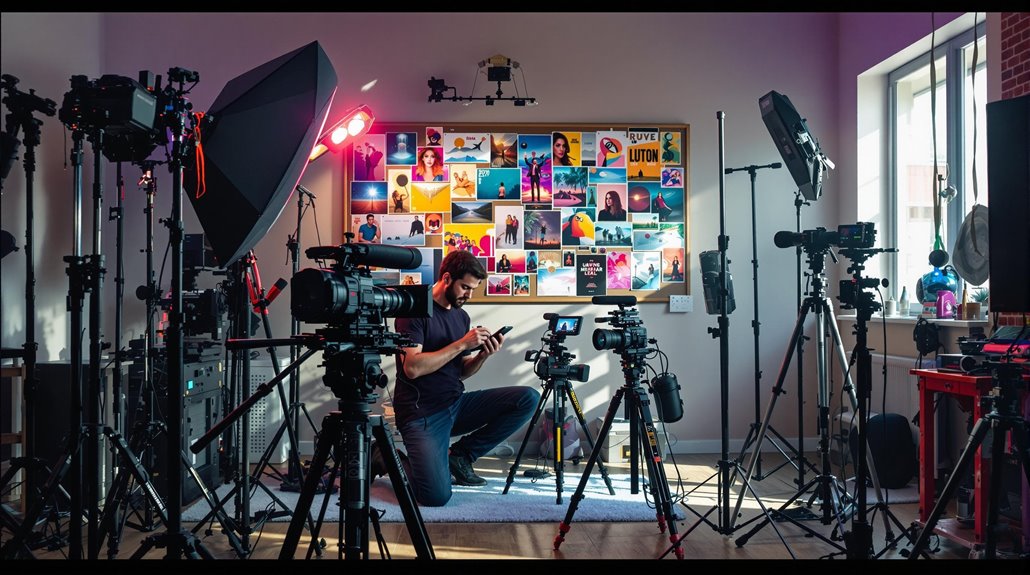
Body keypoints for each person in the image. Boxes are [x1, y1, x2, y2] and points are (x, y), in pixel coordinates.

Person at [390, 251, 539, 506]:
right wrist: (461, 344)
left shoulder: (461, 316)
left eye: (473, 289)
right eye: (465, 287)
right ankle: (385, 455)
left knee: (527, 398)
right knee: (435, 497)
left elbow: (460, 371)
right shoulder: (414, 310)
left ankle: (460, 455)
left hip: (455, 405)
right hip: (422, 413)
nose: (468, 295)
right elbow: (412, 368)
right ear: (447, 278)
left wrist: (482, 356)